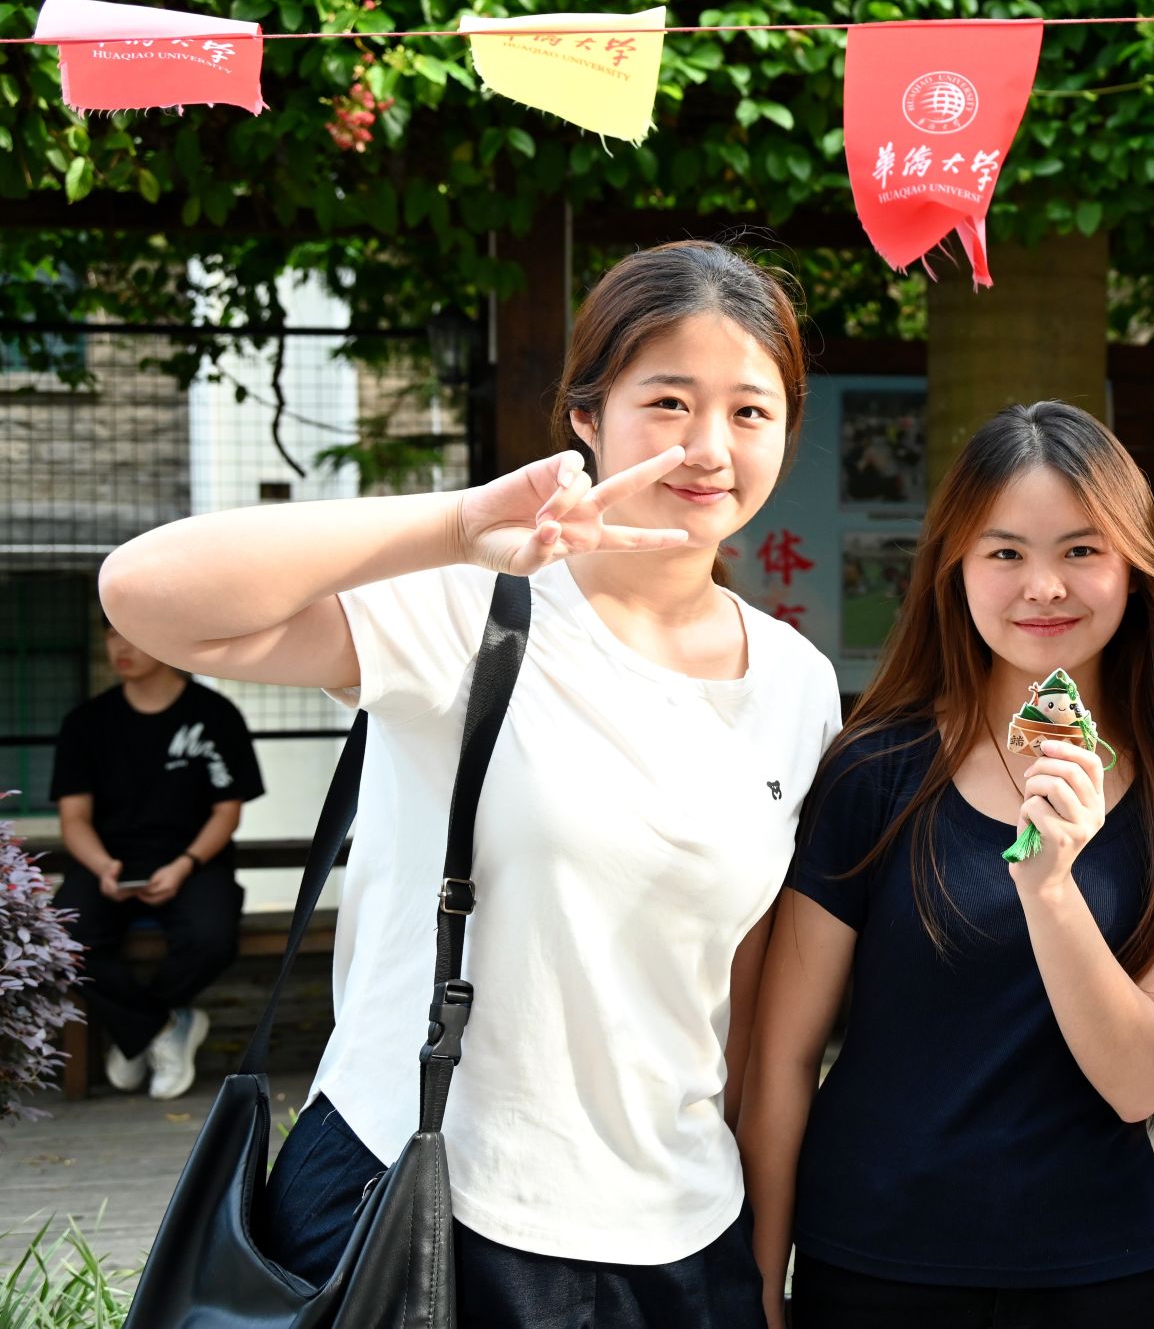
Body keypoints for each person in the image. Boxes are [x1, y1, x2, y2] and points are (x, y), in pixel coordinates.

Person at [98, 241, 840, 1329]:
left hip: (680, 1231)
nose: (708, 448)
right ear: (586, 416)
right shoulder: (472, 604)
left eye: (749, 411)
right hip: (426, 1196)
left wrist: (763, 1265)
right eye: (669, 402)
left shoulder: (795, 683)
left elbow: (738, 982)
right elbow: (145, 593)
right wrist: (454, 526)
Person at [739, 402, 1154, 1329]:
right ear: (956, 568)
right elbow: (782, 1058)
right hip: (870, 1267)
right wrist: (758, 1293)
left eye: (1082, 550)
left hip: (1093, 1278)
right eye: (1006, 552)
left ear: (1135, 567)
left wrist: (1050, 885)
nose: (1044, 587)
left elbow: (1139, 1082)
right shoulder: (875, 772)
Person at [51, 615, 264, 1100]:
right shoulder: (86, 723)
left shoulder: (215, 715)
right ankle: (159, 1028)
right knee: (66, 941)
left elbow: (227, 811)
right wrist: (102, 865)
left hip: (194, 860)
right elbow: (74, 818)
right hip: (107, 862)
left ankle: (135, 1033)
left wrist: (185, 863)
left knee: (211, 938)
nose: (119, 646)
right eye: (110, 633)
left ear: (166, 638)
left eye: (131, 633)